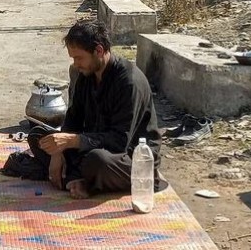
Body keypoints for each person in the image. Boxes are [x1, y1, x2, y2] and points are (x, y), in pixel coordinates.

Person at [29, 20, 165, 199]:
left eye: (79, 58)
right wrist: (57, 151)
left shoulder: (129, 82)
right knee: (39, 137)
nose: (76, 64)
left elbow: (119, 141)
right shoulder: (86, 74)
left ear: (99, 51)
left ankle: (84, 180)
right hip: (93, 146)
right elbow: (74, 118)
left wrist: (73, 141)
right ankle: (79, 177)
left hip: (128, 156)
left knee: (97, 161)